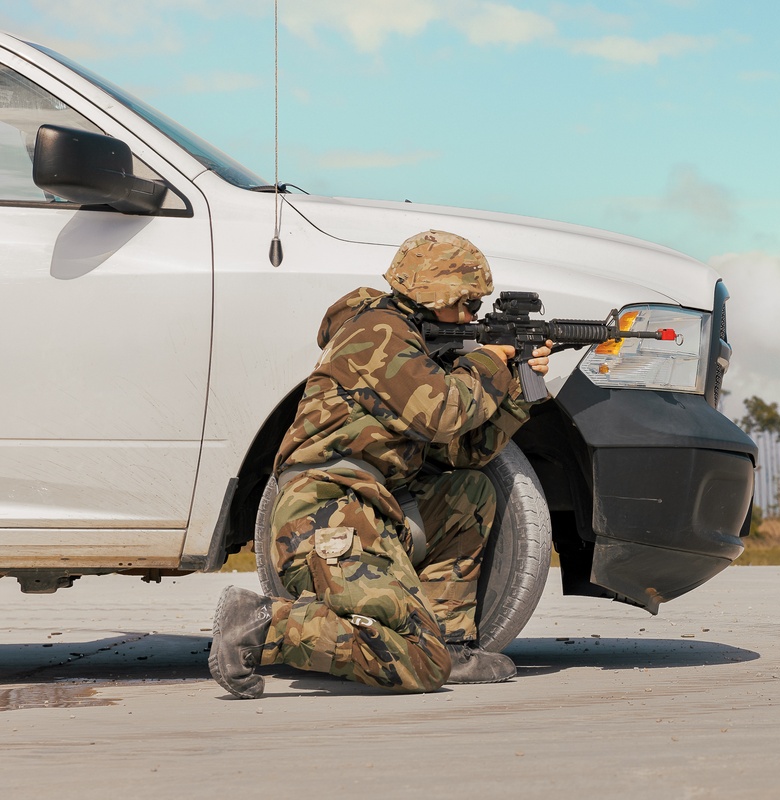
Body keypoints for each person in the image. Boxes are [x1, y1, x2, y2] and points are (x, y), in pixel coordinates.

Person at [209, 229, 551, 699]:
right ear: (438, 294)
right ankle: (265, 626)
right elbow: (442, 412)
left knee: (469, 492)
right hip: (328, 511)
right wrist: (490, 363)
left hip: (372, 510)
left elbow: (461, 451)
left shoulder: (409, 343)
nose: (472, 317)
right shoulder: (378, 333)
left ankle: (451, 644)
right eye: (466, 304)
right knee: (418, 665)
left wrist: (515, 391)